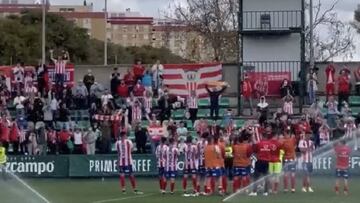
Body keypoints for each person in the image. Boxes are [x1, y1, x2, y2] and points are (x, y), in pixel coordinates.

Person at [249, 126, 272, 196]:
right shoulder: (270, 144)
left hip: (260, 161)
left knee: (256, 177)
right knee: (266, 177)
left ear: (262, 136)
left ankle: (254, 192)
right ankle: (266, 192)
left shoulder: (259, 144)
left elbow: (254, 151)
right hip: (267, 162)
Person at [282, 128, 297, 193]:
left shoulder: (283, 141)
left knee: (286, 174)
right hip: (292, 159)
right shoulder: (293, 140)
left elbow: (282, 150)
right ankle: (293, 189)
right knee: (292, 174)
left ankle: (285, 189)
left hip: (286, 159)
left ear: (286, 134)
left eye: (284, 134)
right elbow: (295, 146)